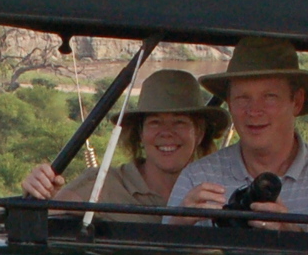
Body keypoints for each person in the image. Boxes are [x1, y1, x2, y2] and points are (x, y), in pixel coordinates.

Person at [165, 37, 308, 219]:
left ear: (297, 101)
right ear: (230, 104)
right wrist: (181, 221)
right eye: (243, 98)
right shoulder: (198, 177)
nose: (254, 111)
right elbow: (161, 254)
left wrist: (289, 233)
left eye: (269, 97)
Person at [20, 69, 226, 214]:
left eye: (179, 123)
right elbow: (43, 222)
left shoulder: (221, 190)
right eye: (155, 123)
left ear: (199, 134)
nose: (167, 133)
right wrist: (39, 191)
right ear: (140, 134)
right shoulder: (102, 185)